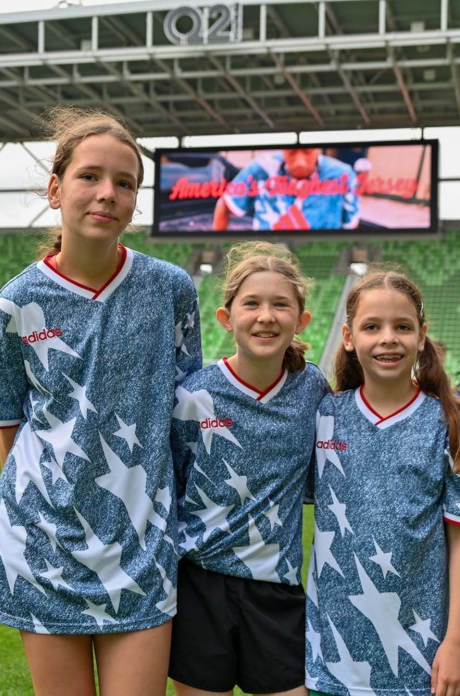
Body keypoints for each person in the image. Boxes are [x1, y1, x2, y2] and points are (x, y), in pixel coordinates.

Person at [0, 107, 202, 696]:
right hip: (42, 548)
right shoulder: (15, 303)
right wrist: (30, 526)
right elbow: (9, 428)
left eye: (125, 183)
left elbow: (186, 416)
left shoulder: (171, 289)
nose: (108, 194)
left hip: (142, 548)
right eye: (90, 177)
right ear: (55, 189)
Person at [306, 269, 460, 696]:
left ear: (422, 336)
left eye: (402, 327)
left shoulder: (449, 421)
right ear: (349, 337)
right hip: (328, 654)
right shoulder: (324, 414)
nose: (388, 338)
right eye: (372, 327)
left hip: (417, 658)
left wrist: (457, 641)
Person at [169, 242, 329, 696]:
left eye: (281, 304)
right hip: (199, 585)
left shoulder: (312, 387)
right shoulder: (194, 395)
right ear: (226, 318)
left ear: (301, 321)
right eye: (252, 303)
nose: (266, 315)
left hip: (275, 588)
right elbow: (172, 482)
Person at [213, 148, 359, 232]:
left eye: (307, 152)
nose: (300, 161)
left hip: (320, 251)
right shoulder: (262, 167)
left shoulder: (343, 174)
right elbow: (225, 204)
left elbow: (351, 224)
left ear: (318, 149)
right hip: (267, 255)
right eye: (292, 152)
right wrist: (218, 248)